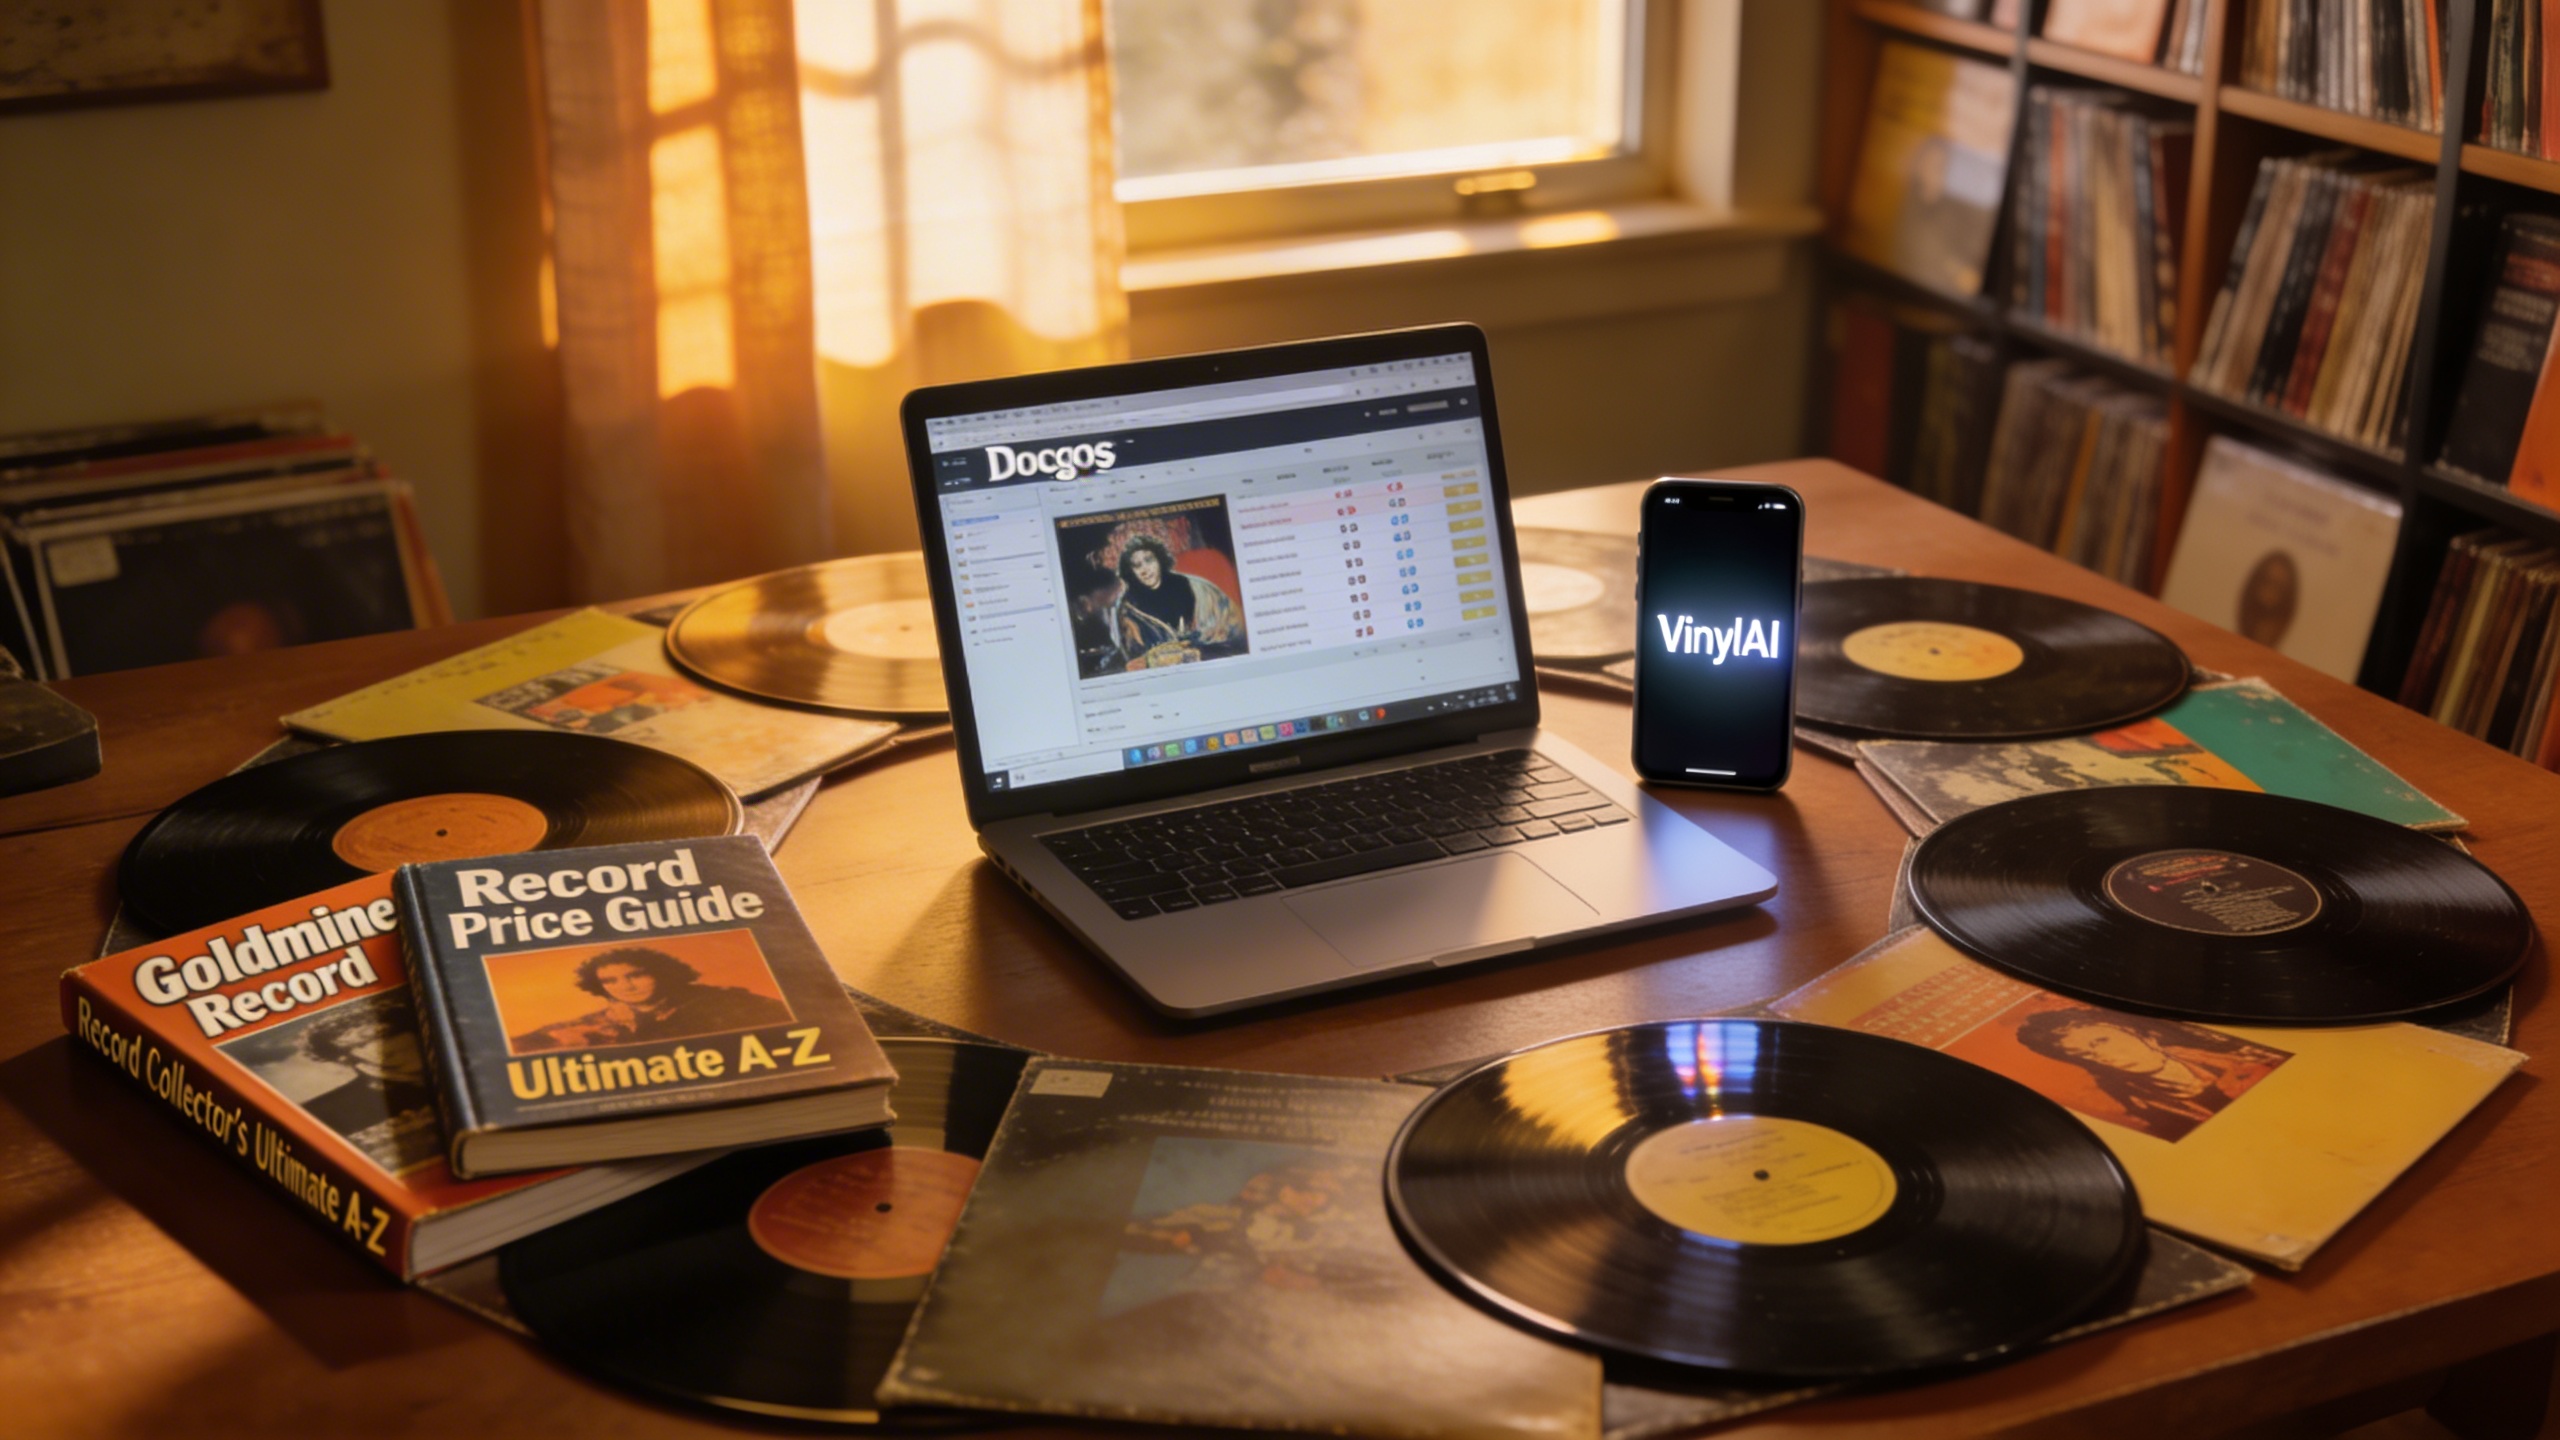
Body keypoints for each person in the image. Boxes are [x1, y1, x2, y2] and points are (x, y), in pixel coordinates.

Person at [2013, 1006, 2285, 1142]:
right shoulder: (2129, 1106)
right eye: (2084, 1054)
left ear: (2138, 1033)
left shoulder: (2240, 1054)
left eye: (2101, 1042)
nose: (2103, 1057)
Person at [510, 946, 794, 1052]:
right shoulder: (594, 1024)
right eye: (610, 981)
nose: (625, 986)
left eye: (636, 975)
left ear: (662, 974)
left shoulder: (729, 1004)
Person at [295, 997, 442, 1171]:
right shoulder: (318, 1115)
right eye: (361, 1044)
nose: (379, 1046)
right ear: (344, 1058)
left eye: (388, 1033)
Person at [1109, 536, 1243, 670]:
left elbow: (1235, 635)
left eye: (1149, 560)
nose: (1145, 570)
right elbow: (1131, 656)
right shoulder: (1128, 608)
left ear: (1159, 560)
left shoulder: (1198, 589)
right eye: (1137, 565)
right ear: (1131, 571)